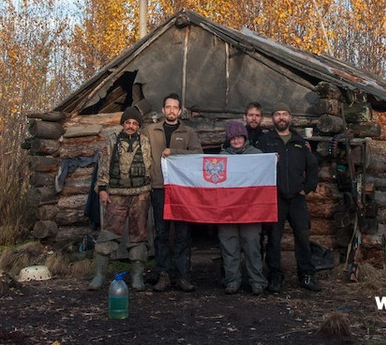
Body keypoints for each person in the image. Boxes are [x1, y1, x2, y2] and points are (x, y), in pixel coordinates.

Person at [257, 104, 322, 292]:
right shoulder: (265, 141)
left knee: (302, 236)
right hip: (275, 198)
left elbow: (313, 166)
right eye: (277, 114)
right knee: (274, 238)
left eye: (284, 114)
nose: (281, 117)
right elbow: (256, 165)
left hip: (297, 198)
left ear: (290, 117)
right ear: (272, 118)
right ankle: (275, 276)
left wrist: (307, 188)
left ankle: (307, 275)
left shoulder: (300, 141)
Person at [89, 105, 152, 292]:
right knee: (108, 234)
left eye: (134, 123)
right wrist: (102, 189)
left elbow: (151, 166)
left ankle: (138, 277)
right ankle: (99, 275)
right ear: (123, 124)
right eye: (127, 122)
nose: (131, 126)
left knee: (139, 235)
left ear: (138, 125)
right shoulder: (112, 141)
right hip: (116, 194)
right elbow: (104, 166)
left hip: (140, 194)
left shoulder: (146, 142)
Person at [146, 93, 204, 292]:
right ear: (163, 110)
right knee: (161, 233)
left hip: (181, 190)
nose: (171, 111)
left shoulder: (188, 133)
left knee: (182, 233)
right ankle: (163, 274)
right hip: (159, 187)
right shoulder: (151, 131)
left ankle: (183, 276)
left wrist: (175, 152)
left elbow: (198, 155)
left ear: (180, 111)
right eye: (168, 107)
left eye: (175, 107)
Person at [217, 121, 268, 295]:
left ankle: (257, 281)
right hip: (227, 210)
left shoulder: (258, 155)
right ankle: (232, 280)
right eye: (232, 138)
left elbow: (265, 176)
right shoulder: (221, 158)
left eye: (239, 137)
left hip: (250, 210)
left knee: (252, 246)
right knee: (229, 246)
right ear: (228, 140)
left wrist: (271, 161)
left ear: (244, 137)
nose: (236, 140)